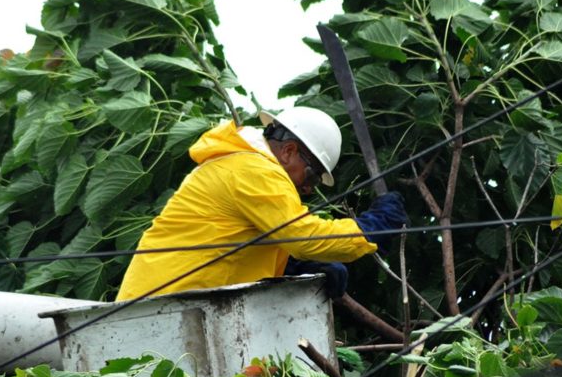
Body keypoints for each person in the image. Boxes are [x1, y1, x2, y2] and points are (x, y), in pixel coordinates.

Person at [115, 106, 407, 301]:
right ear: (289, 151)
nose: (308, 188)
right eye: (313, 176)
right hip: (160, 309)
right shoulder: (256, 170)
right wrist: (370, 229)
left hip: (166, 305)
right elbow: (303, 237)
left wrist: (293, 267)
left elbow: (234, 244)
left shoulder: (242, 163)